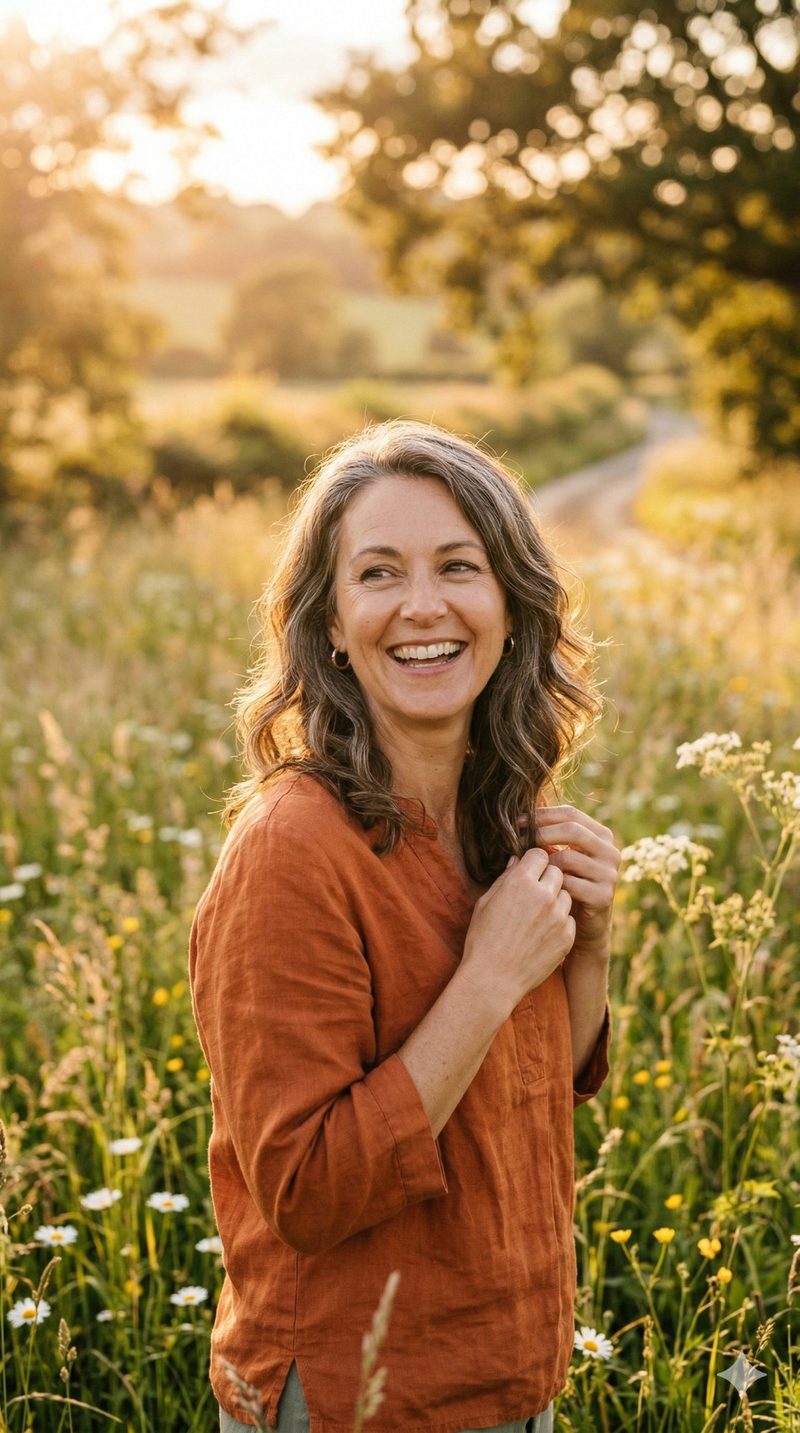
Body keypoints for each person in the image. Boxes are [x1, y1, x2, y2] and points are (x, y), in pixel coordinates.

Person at [188, 419, 619, 1433]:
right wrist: (483, 977)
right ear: (330, 623)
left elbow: (545, 1088)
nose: (422, 605)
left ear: (509, 604)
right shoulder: (292, 847)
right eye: (377, 573)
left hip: (510, 1373)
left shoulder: (499, 813)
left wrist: (584, 942)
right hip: (357, 1396)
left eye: (457, 565)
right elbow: (306, 1187)